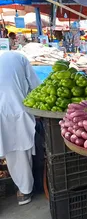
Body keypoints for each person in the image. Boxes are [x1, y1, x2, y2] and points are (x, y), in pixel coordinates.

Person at [0, 51, 41, 205]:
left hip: (6, 111)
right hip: (15, 111)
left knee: (12, 152)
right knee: (20, 152)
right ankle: (25, 191)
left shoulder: (9, 58)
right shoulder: (20, 57)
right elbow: (35, 85)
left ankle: (24, 187)